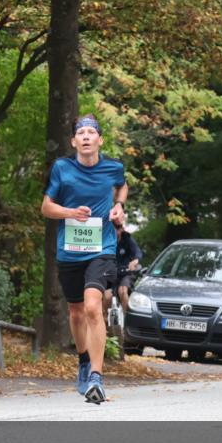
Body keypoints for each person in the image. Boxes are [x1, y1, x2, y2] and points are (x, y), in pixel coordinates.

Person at [40, 114, 127, 404]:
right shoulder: (62, 168)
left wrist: (119, 205)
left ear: (100, 140)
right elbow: (46, 208)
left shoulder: (114, 167)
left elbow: (122, 185)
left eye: (92, 132)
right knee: (76, 311)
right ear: (74, 141)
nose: (86, 136)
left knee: (92, 307)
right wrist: (70, 213)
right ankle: (83, 360)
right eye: (81, 133)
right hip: (70, 251)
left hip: (102, 249)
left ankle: (97, 378)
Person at [103, 217, 143, 314]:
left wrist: (135, 261)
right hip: (112, 274)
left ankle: (127, 318)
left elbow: (137, 252)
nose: (116, 231)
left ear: (121, 229)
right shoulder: (106, 241)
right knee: (106, 296)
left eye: (118, 228)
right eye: (113, 229)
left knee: (123, 291)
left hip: (126, 273)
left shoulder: (127, 239)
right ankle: (105, 321)